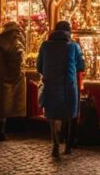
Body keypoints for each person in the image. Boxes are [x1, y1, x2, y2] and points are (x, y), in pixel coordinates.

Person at [36, 20, 86, 158]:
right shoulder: (74, 46)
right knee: (70, 115)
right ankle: (68, 147)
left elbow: (39, 66)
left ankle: (55, 144)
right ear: (68, 32)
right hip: (68, 85)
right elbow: (81, 66)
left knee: (53, 116)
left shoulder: (45, 46)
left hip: (51, 84)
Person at [0, 21, 27, 140]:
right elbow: (19, 57)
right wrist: (18, 71)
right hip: (14, 76)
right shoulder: (15, 42)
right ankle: (14, 126)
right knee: (15, 103)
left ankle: (0, 128)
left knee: (3, 104)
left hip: (1, 74)